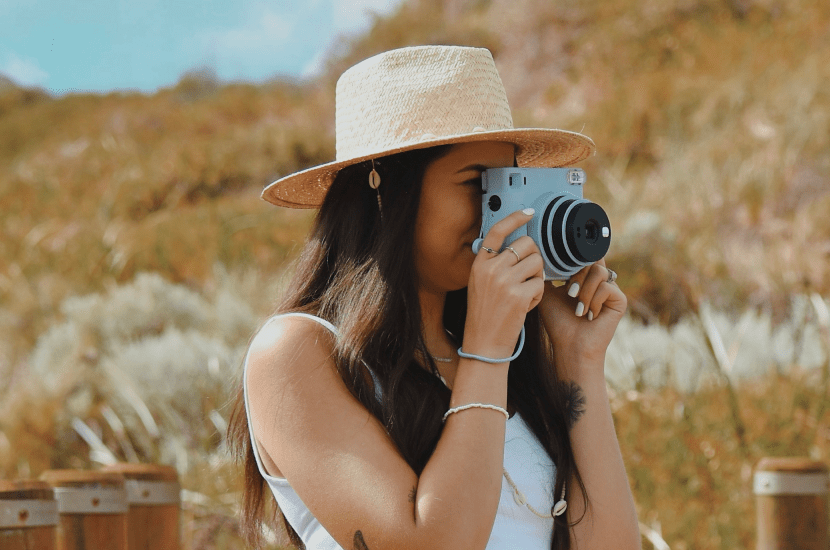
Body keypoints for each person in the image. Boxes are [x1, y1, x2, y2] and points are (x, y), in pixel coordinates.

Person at [228, 45, 640, 550]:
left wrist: (580, 361)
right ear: (386, 193)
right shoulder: (297, 353)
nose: (502, 214)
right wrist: (487, 347)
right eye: (477, 184)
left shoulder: (505, 356)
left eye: (512, 184)